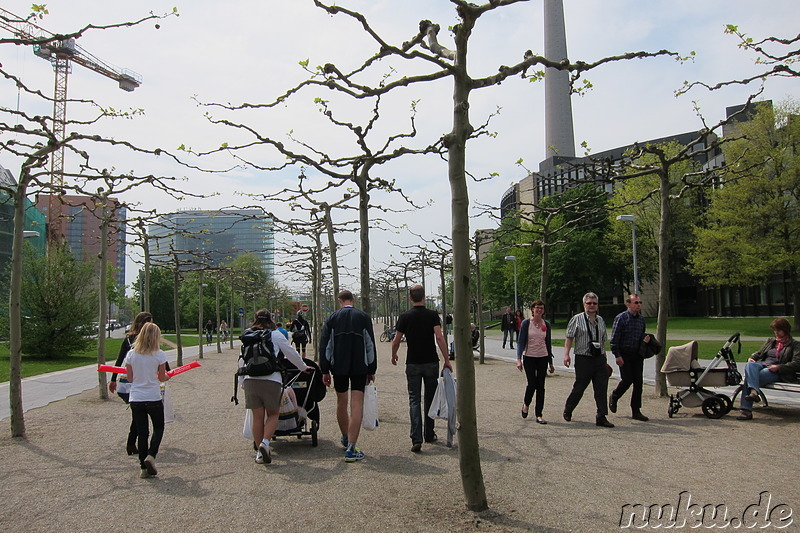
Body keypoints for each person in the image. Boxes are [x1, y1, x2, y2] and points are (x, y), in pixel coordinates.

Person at [241, 310, 311, 464]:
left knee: (257, 417)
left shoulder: (247, 335)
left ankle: (259, 453)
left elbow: (242, 359)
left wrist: (241, 382)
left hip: (250, 379)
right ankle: (265, 443)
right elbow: (291, 353)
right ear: (271, 319)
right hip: (271, 379)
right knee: (273, 414)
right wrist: (303, 367)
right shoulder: (275, 335)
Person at [391, 285, 453, 453]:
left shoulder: (405, 317)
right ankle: (429, 433)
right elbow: (439, 337)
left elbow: (396, 340)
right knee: (430, 399)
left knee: (414, 400)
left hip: (413, 362)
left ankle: (416, 437)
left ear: (410, 298)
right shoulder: (432, 315)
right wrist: (446, 359)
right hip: (431, 361)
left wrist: (394, 355)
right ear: (424, 297)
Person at [319, 290, 377, 462]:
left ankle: (345, 436)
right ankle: (351, 447)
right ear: (353, 300)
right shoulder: (363, 317)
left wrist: (325, 369)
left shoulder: (332, 319)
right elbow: (370, 345)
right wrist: (372, 369)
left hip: (339, 367)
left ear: (339, 301)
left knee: (341, 402)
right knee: (356, 404)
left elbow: (325, 346)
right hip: (360, 366)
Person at [124, 322, 171, 478]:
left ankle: (143, 467)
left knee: (142, 432)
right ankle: (151, 455)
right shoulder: (159, 354)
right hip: (152, 396)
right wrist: (167, 377)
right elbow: (161, 376)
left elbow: (130, 378)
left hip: (136, 397)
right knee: (159, 427)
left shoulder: (131, 354)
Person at [562, 292, 614, 428]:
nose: (592, 306)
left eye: (594, 303)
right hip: (583, 358)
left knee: (601, 388)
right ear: (584, 304)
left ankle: (601, 416)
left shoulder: (601, 320)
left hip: (599, 358)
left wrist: (605, 359)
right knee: (580, 387)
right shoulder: (577, 319)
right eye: (589, 303)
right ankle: (569, 408)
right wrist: (566, 355)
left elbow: (603, 341)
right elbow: (569, 338)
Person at [737, 317, 800, 420]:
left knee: (749, 378)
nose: (776, 333)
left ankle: (746, 410)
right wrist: (752, 358)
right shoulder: (771, 341)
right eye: (774, 330)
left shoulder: (795, 345)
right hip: (762, 364)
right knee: (750, 365)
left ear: (785, 330)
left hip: (777, 372)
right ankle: (754, 392)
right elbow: (759, 353)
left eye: (779, 330)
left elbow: (797, 363)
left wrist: (779, 367)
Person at [109, 311, 153, 456]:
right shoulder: (135, 340)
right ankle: (133, 443)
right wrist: (113, 379)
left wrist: (114, 379)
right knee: (139, 414)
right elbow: (120, 360)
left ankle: (132, 443)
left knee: (137, 413)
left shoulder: (132, 339)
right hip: (135, 382)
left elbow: (119, 360)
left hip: (132, 382)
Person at [609, 294, 651, 422]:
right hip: (624, 353)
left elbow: (641, 334)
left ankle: (636, 410)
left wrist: (645, 341)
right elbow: (614, 338)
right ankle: (615, 396)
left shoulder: (641, 320)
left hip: (637, 354)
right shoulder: (621, 318)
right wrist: (617, 355)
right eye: (636, 302)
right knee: (627, 380)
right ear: (628, 304)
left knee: (638, 383)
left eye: (639, 302)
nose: (638, 305)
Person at [516, 300, 555, 424]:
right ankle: (526, 404)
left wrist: (551, 363)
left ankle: (539, 414)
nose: (539, 310)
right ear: (533, 309)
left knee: (541, 386)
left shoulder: (546, 324)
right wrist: (519, 359)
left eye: (541, 308)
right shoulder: (526, 323)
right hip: (529, 357)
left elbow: (548, 343)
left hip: (542, 356)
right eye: (537, 308)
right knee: (532, 383)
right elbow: (521, 342)